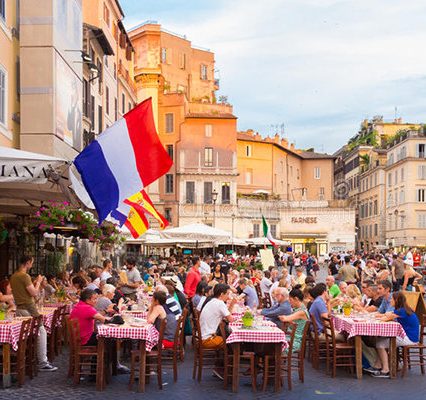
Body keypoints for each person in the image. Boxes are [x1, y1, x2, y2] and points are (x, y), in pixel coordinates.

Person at [10, 255, 57, 371]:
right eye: (32, 262)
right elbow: (34, 293)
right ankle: (42, 362)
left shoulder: (14, 276)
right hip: (29, 308)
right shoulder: (24, 276)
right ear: (28, 263)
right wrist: (38, 282)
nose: (32, 265)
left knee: (31, 334)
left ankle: (35, 359)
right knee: (41, 331)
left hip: (20, 308)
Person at [370, 292, 420, 378]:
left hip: (409, 338)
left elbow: (385, 318)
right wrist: (383, 315)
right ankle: (378, 365)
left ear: (396, 300)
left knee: (380, 344)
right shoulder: (403, 309)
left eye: (392, 299)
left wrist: (380, 316)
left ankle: (385, 370)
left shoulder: (400, 311)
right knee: (380, 340)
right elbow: (387, 315)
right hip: (410, 336)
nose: (390, 301)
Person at [199, 284, 235, 349]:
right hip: (208, 339)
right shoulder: (220, 303)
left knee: (228, 336)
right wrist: (232, 304)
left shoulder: (212, 301)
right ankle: (231, 357)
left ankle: (230, 356)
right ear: (221, 294)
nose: (228, 296)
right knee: (232, 341)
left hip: (203, 336)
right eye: (227, 294)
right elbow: (231, 320)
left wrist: (232, 304)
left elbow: (227, 317)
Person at [278, 285, 309, 352]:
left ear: (296, 299)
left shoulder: (301, 312)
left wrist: (279, 316)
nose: (289, 302)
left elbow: (285, 319)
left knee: (273, 344)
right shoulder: (298, 309)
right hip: (290, 337)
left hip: (294, 341)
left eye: (290, 300)